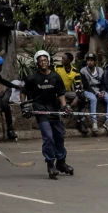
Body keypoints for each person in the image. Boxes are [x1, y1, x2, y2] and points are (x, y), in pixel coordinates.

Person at [22, 50, 72, 178]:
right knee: (48, 137)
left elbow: (60, 93)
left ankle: (61, 162)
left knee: (59, 136)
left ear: (48, 61)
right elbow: (23, 92)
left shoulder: (55, 77)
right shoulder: (33, 78)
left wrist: (65, 106)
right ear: (37, 63)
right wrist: (24, 106)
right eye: (40, 61)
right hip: (40, 110)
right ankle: (50, 164)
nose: (43, 63)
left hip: (54, 109)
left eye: (45, 60)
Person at [81, 52, 108, 135]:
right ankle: (94, 121)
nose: (90, 62)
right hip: (88, 90)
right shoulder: (83, 71)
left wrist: (102, 92)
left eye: (92, 60)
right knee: (93, 99)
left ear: (95, 62)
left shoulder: (100, 70)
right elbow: (86, 86)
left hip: (99, 89)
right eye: (88, 60)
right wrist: (96, 94)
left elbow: (102, 83)